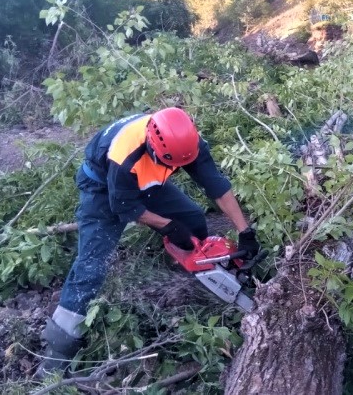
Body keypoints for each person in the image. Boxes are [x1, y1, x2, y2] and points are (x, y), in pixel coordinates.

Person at [36, 107, 260, 376]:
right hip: (103, 188)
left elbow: (217, 186)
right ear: (154, 147)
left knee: (192, 220)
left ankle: (202, 279)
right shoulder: (125, 154)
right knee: (92, 266)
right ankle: (57, 352)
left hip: (146, 179)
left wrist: (244, 230)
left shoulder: (187, 143)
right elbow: (123, 206)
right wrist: (167, 226)